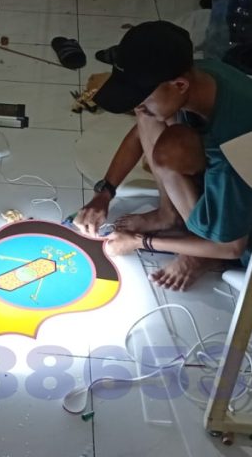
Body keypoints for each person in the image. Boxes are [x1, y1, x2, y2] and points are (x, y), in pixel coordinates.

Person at [74, 20, 252, 290]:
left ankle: (199, 252)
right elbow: (141, 130)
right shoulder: (197, 74)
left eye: (143, 98)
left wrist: (140, 242)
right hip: (222, 163)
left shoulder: (235, 140)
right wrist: (105, 193)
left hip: (243, 215)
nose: (138, 107)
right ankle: (169, 216)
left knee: (171, 147)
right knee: (152, 117)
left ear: (179, 85)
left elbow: (232, 247)